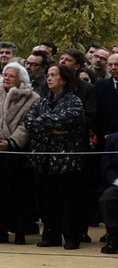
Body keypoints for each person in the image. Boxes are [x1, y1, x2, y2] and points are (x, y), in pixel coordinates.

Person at [26, 62, 88, 250]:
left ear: (65, 79)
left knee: (68, 200)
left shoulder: (73, 101)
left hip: (66, 160)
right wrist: (51, 128)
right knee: (47, 200)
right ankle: (51, 236)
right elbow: (29, 122)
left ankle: (71, 237)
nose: (50, 78)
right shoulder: (42, 101)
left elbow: (67, 120)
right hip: (43, 159)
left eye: (54, 75)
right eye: (49, 75)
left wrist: (43, 121)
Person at [0, 61, 37, 245]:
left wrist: (12, 141)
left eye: (11, 76)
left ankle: (20, 231)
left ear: (20, 79)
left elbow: (28, 123)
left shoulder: (32, 98)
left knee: (19, 194)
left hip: (17, 153)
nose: (7, 78)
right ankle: (1, 230)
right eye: (5, 75)